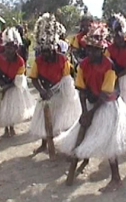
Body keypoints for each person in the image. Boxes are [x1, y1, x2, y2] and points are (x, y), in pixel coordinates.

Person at [54, 22, 126, 192]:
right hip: (91, 102)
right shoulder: (83, 65)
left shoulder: (109, 66)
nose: (91, 53)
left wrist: (91, 112)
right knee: (84, 131)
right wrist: (85, 112)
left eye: (95, 50)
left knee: (108, 142)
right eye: (89, 49)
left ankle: (116, 178)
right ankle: (81, 159)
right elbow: (81, 90)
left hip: (108, 104)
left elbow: (105, 94)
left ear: (102, 50)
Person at [29, 13, 81, 154]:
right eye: (43, 51)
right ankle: (44, 144)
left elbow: (66, 80)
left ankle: (61, 144)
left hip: (60, 94)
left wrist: (57, 93)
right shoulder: (38, 61)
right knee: (44, 119)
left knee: (60, 120)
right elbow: (34, 78)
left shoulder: (62, 60)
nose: (45, 54)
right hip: (45, 93)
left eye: (48, 51)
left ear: (54, 49)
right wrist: (42, 90)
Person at [0, 27, 35, 137]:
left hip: (13, 85)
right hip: (1, 84)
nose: (10, 50)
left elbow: (19, 79)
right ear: (5, 47)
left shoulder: (20, 62)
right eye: (7, 47)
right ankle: (5, 128)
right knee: (3, 106)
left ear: (17, 48)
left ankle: (12, 126)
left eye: (12, 47)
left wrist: (7, 86)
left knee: (12, 107)